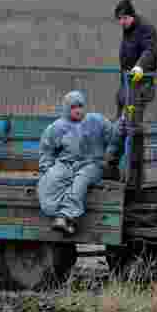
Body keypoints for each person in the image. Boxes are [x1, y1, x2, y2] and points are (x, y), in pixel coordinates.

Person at [38, 90, 119, 235]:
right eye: (73, 107)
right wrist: (47, 169)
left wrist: (120, 127)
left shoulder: (96, 121)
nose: (78, 110)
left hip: (92, 164)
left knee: (80, 181)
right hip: (67, 164)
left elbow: (114, 136)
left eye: (80, 106)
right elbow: (47, 149)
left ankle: (64, 216)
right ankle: (62, 216)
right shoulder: (57, 127)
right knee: (51, 180)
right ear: (66, 109)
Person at [108, 0, 157, 177]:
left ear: (131, 15)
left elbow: (150, 51)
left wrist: (140, 66)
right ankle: (113, 166)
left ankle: (131, 172)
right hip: (127, 84)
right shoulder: (127, 29)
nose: (121, 23)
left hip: (140, 84)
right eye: (119, 20)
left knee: (129, 126)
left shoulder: (146, 28)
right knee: (119, 123)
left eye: (123, 18)